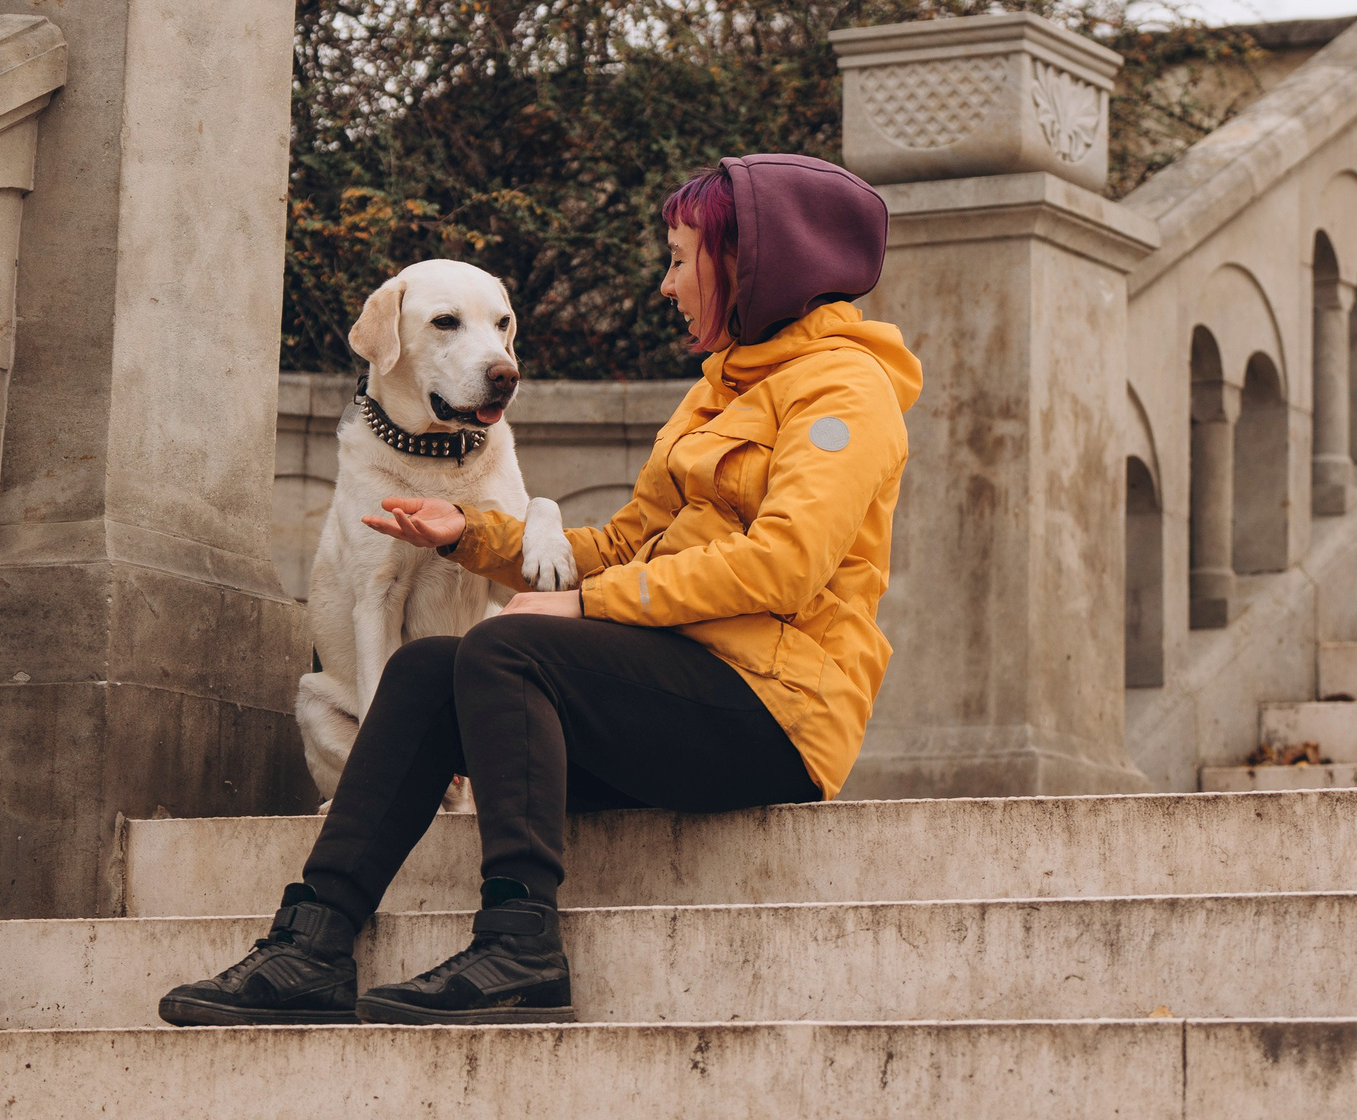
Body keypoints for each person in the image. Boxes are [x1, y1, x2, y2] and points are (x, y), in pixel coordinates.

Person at [159, 153, 922, 1026]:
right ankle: (312, 943)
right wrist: (476, 537)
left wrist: (582, 605)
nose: (666, 283)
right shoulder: (718, 392)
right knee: (425, 672)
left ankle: (519, 947)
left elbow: (783, 565)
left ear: (752, 260)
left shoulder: (845, 391)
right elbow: (619, 544)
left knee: (505, 646)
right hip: (665, 694)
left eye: (680, 259)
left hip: (774, 714)